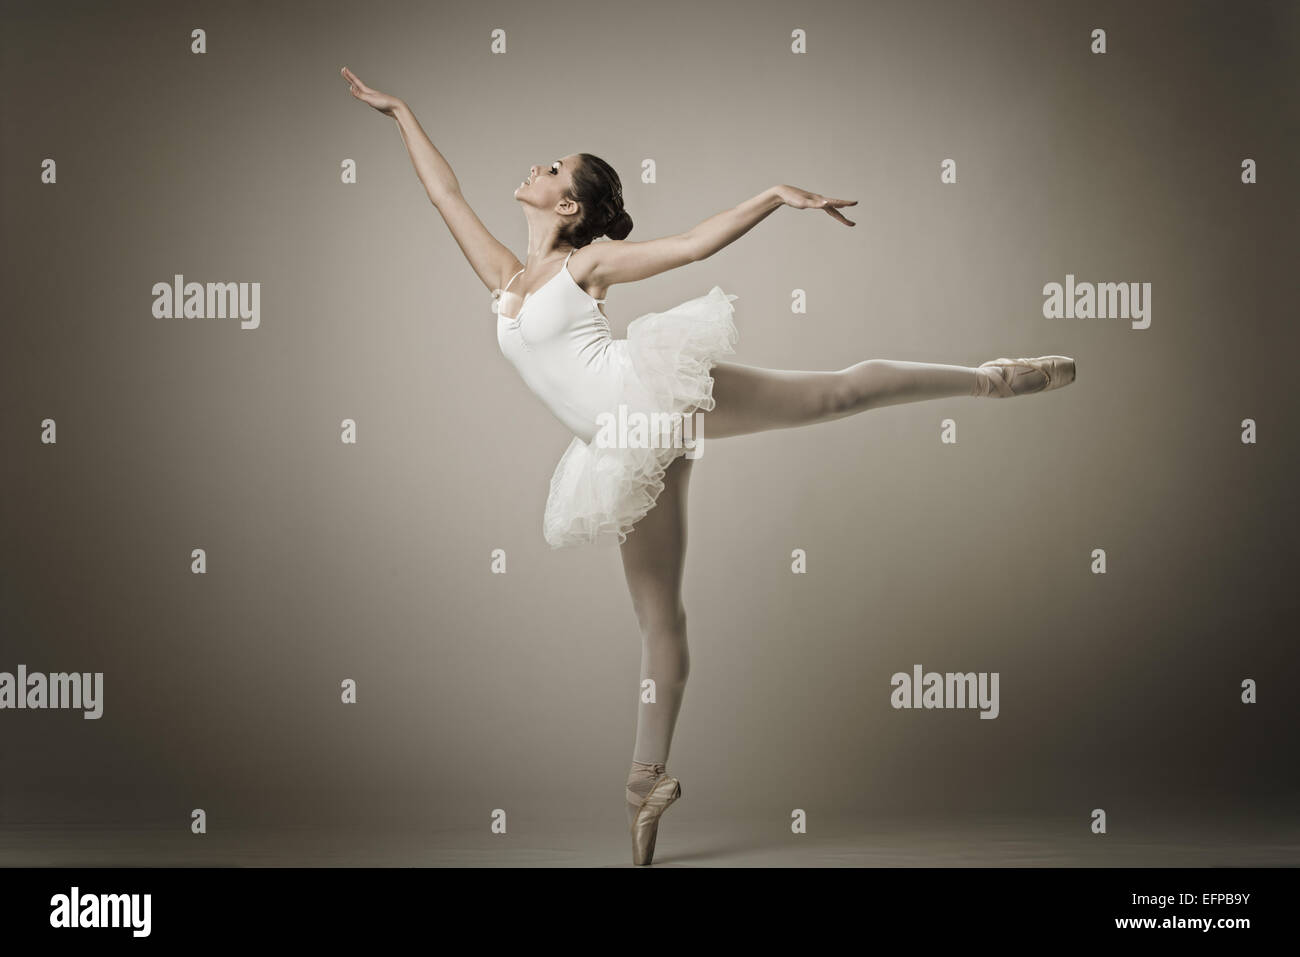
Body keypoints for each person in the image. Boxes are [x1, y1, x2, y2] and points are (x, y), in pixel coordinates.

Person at [341, 67, 1076, 865]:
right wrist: (402, 113)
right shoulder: (505, 280)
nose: (538, 166)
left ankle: (994, 377)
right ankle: (644, 781)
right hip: (620, 447)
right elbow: (444, 196)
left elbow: (690, 247)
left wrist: (772, 196)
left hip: (651, 394)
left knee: (831, 395)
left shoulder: (585, 268)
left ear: (569, 207)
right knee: (661, 619)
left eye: (554, 168)